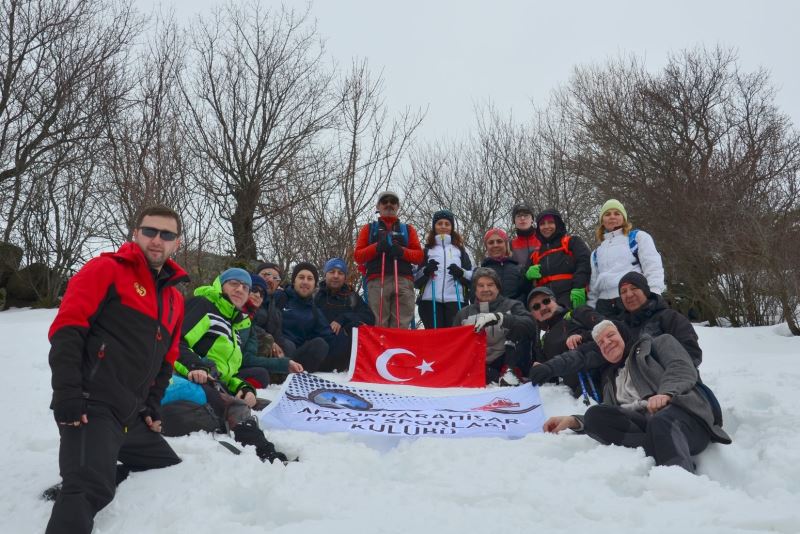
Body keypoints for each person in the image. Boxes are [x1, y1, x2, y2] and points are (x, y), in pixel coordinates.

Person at [45, 205, 187, 534]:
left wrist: (152, 404)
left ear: (176, 243)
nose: (157, 240)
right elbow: (67, 330)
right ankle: (89, 471)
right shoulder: (106, 269)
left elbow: (168, 359)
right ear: (135, 233)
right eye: (150, 231)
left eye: (166, 235)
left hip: (129, 412)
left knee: (166, 461)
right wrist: (66, 393)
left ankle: (101, 460)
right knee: (88, 489)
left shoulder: (174, 300)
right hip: (90, 403)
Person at [531, 320, 730, 473]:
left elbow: (682, 368)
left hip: (683, 417)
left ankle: (679, 479)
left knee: (661, 420)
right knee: (595, 415)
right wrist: (573, 421)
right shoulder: (610, 381)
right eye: (601, 343)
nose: (606, 343)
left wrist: (665, 394)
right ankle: (657, 446)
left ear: (623, 334)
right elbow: (613, 413)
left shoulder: (658, 344)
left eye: (610, 336)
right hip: (646, 425)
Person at [453, 267, 537, 385]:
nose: (485, 289)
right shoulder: (463, 314)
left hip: (509, 359)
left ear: (498, 288)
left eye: (490, 284)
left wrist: (501, 318)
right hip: (479, 364)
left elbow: (530, 325)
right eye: (480, 285)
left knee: (520, 326)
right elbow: (455, 344)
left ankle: (510, 373)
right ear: (475, 290)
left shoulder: (513, 305)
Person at [354, 190, 424, 328]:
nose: (389, 204)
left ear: (398, 206)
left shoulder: (408, 229)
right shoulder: (369, 229)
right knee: (378, 323)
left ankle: (398, 349)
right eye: (384, 201)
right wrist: (377, 247)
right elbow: (358, 256)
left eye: (393, 202)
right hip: (376, 279)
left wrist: (401, 251)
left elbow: (419, 256)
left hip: (403, 280)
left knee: (401, 325)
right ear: (378, 206)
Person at [587, 199, 665, 318]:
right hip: (605, 306)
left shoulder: (637, 238)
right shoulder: (596, 253)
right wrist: (591, 308)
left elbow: (653, 266)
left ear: (624, 218)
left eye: (617, 213)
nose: (612, 217)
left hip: (631, 298)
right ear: (602, 221)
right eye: (607, 214)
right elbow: (594, 285)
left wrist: (653, 294)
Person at [527, 286, 603, 397]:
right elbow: (552, 377)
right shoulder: (541, 340)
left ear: (555, 301)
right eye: (536, 306)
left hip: (600, 377)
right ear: (533, 315)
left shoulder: (577, 313)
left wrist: (582, 337)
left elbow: (608, 327)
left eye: (546, 301)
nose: (543, 307)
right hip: (576, 393)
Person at [617, 272, 701, 366]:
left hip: (677, 377)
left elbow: (692, 354)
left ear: (645, 291)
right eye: (623, 291)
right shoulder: (620, 329)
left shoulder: (670, 317)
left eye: (634, 288)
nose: (628, 294)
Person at [239, 273, 304, 385]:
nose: (258, 295)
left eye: (262, 294)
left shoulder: (249, 322)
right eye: (254, 290)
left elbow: (247, 358)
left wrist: (286, 363)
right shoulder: (232, 313)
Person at [414, 209, 473, 329]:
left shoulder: (461, 251)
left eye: (447, 224)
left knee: (453, 337)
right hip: (429, 300)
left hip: (456, 299)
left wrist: (461, 273)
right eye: (440, 223)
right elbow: (415, 279)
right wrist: (426, 271)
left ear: (452, 227)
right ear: (434, 226)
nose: (443, 227)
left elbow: (472, 276)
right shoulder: (426, 250)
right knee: (434, 337)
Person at [524, 208, 591, 311]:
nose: (546, 227)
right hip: (546, 304)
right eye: (542, 224)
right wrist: (527, 276)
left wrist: (579, 286)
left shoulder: (572, 242)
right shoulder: (535, 254)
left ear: (558, 224)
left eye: (551, 222)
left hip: (571, 297)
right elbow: (522, 284)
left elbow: (584, 262)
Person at [314, 258, 375, 370]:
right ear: (325, 275)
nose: (336, 276)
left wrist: (343, 319)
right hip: (320, 351)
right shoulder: (315, 296)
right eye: (332, 272)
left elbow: (370, 318)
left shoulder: (352, 297)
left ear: (345, 277)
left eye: (340, 273)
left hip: (346, 355)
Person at [273, 262, 335, 372]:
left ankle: (295, 375)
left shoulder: (314, 311)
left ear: (314, 284)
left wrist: (346, 321)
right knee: (288, 345)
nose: (305, 282)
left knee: (320, 344)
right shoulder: (280, 297)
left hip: (295, 357)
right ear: (294, 281)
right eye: (301, 277)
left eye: (310, 279)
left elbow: (329, 337)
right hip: (273, 350)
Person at [481, 227, 525, 302]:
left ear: (506, 244)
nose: (495, 245)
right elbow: (476, 299)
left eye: (499, 241)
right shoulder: (480, 272)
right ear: (486, 247)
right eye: (491, 242)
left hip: (515, 311)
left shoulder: (519, 269)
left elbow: (524, 294)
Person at [510, 203, 540, 268]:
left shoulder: (543, 240)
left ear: (532, 219)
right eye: (518, 216)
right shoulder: (509, 245)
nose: (522, 218)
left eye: (526, 215)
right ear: (514, 221)